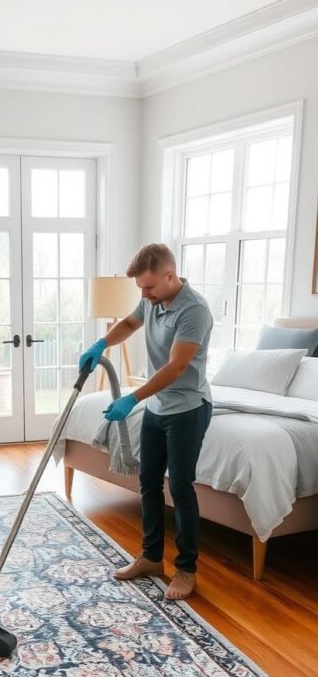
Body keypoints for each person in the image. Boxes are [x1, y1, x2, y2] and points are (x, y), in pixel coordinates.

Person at [79, 243, 213, 600]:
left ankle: (186, 570)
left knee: (181, 487)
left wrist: (132, 398)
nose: (145, 294)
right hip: (158, 407)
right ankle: (152, 557)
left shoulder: (194, 310)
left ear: (170, 276)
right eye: (141, 288)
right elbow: (128, 323)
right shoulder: (152, 299)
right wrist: (101, 344)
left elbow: (177, 367)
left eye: (149, 287)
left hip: (187, 408)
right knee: (149, 482)